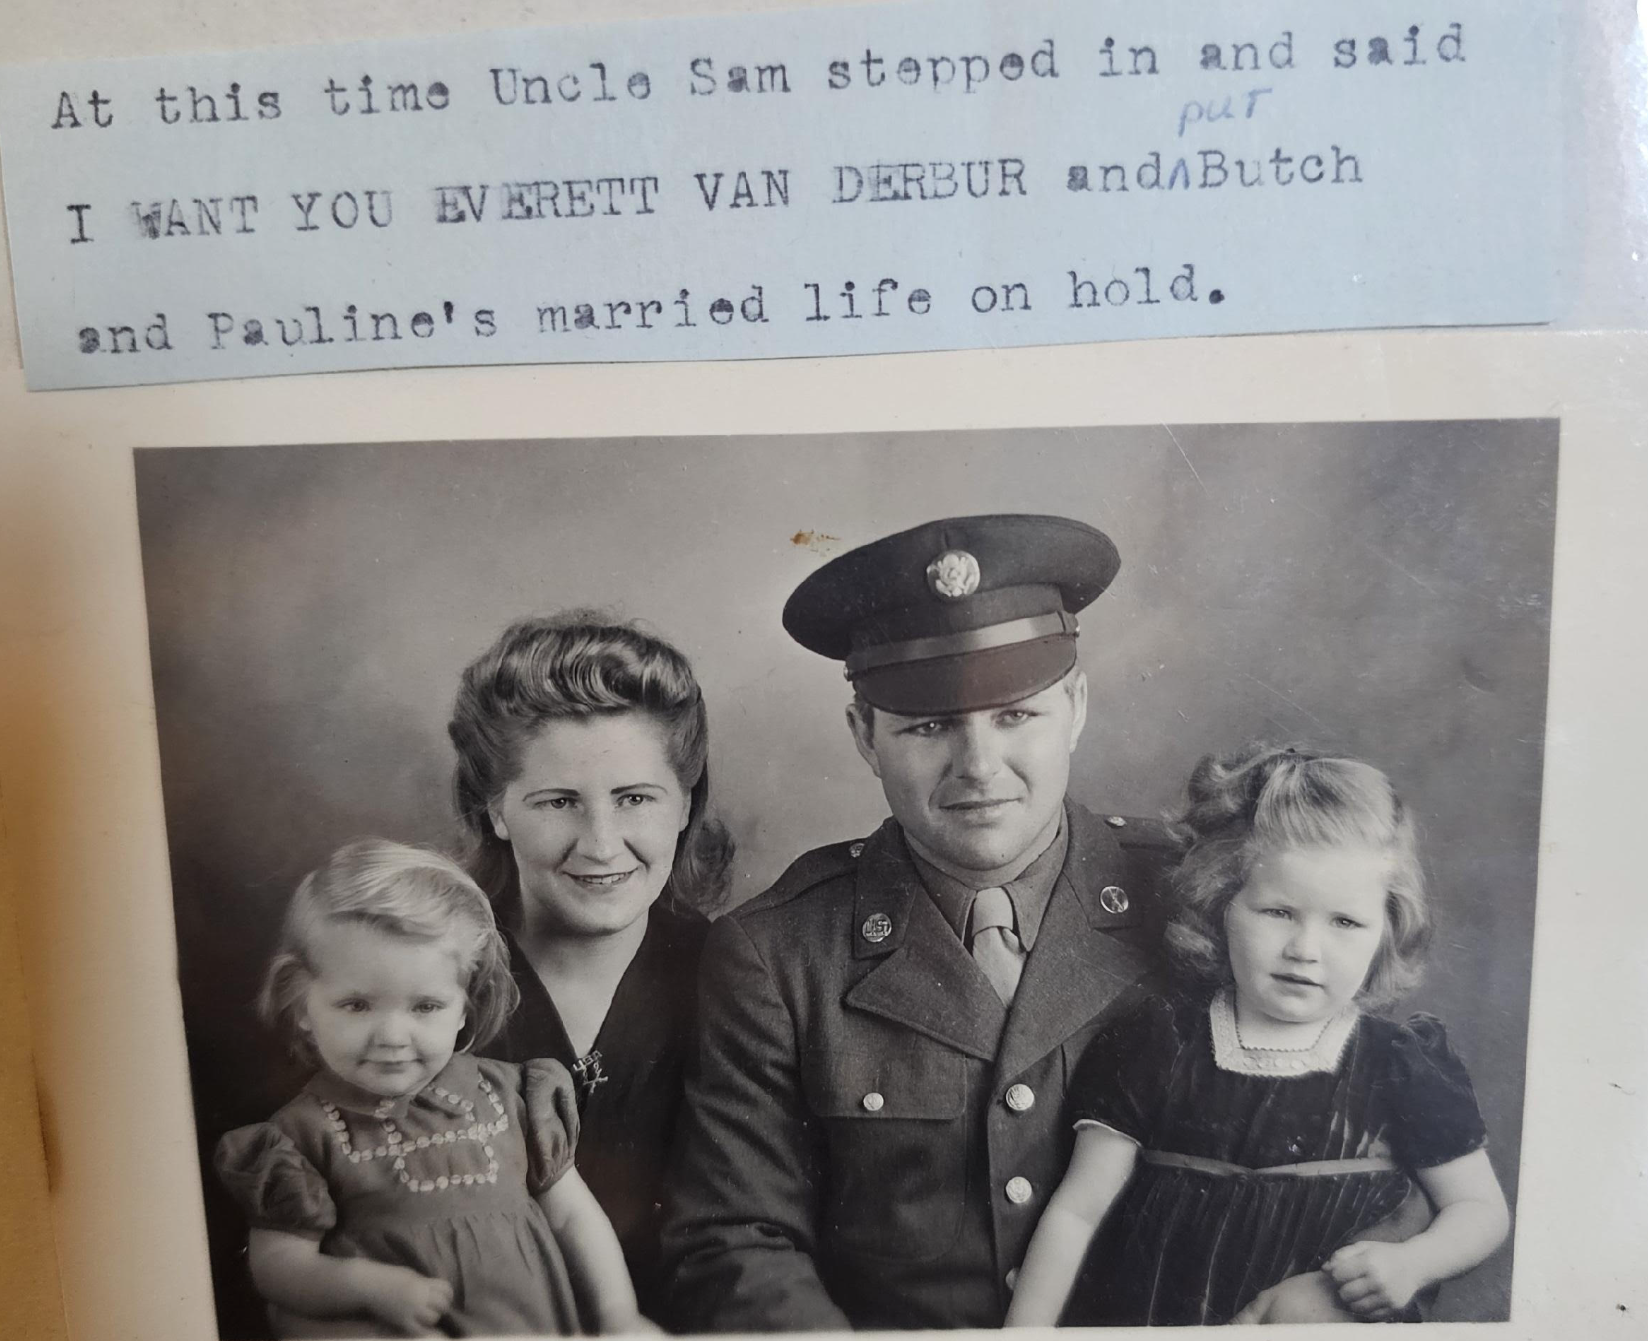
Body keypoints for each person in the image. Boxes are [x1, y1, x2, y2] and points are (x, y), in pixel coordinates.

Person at [663, 514, 1182, 1330]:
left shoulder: (1194, 898)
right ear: (865, 735)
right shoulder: (778, 954)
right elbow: (736, 1240)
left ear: (1076, 706)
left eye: (1016, 715)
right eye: (930, 726)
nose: (978, 767)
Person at [1005, 744, 1511, 1327]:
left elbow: (1479, 1209)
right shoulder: (1159, 1043)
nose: (1306, 950)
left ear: (1386, 930)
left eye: (1345, 922)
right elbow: (1079, 1211)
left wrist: (1412, 1264)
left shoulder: (1398, 1064)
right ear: (1221, 903)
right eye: (1278, 912)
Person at [214, 839, 646, 1337]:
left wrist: (620, 1316)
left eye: (425, 1007)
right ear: (301, 1002)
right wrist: (368, 1286)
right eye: (356, 1005)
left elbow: (573, 1218)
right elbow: (278, 1268)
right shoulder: (300, 1137)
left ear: (465, 1004)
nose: (393, 1037)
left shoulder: (513, 1096)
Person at [448, 614, 733, 1327]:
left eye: (635, 798)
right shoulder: (432, 984)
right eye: (558, 801)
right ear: (497, 810)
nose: (602, 844)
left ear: (685, 806)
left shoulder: (741, 976)